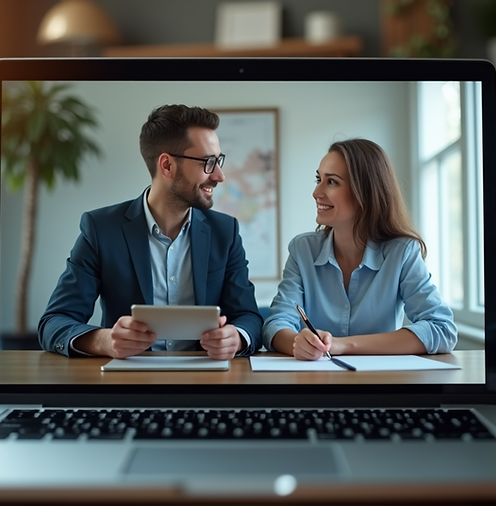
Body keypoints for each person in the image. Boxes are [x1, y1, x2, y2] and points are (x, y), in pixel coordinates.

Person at [39, 104, 263, 360]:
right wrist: (104, 341)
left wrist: (237, 337)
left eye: (218, 161)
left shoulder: (225, 232)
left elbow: (249, 318)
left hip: (206, 378)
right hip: (128, 379)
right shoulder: (101, 229)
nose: (220, 176)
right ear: (167, 165)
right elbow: (54, 322)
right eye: (208, 162)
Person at [261, 138, 457, 360]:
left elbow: (442, 329)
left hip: (381, 381)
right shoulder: (302, 249)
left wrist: (343, 345)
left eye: (332, 182)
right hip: (317, 378)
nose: (316, 192)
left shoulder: (402, 252)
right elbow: (275, 325)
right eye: (318, 179)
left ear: (365, 191)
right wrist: (298, 343)